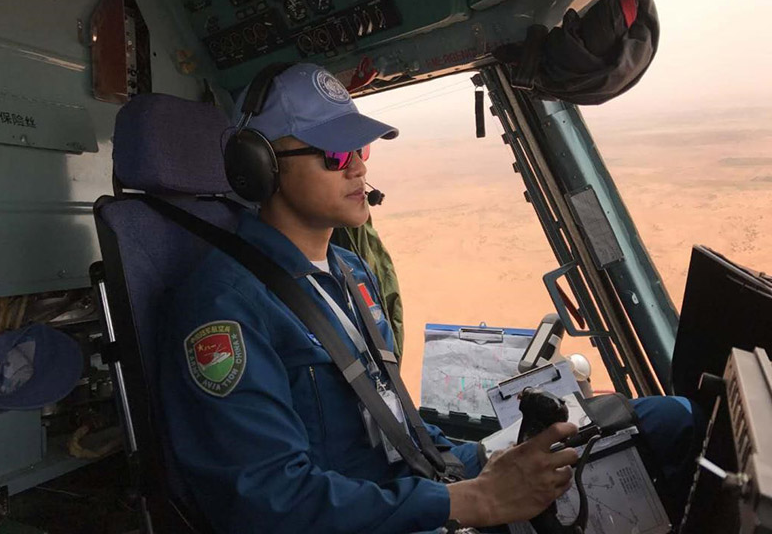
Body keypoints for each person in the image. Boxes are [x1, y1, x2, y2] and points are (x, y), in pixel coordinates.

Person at [158, 63, 702, 533]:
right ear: (261, 166)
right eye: (335, 151)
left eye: (361, 147)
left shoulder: (349, 270)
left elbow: (388, 414)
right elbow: (270, 507)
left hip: (425, 479)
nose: (359, 166)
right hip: (373, 516)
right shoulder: (224, 308)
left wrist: (489, 456)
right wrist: (473, 500)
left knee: (663, 419)